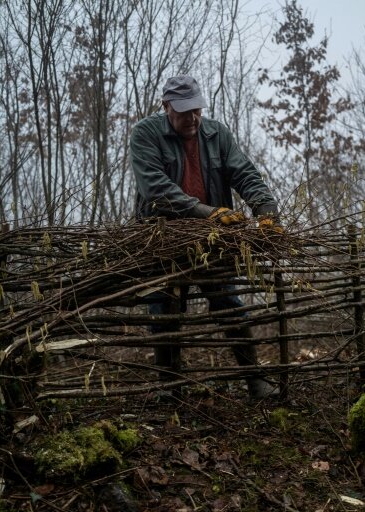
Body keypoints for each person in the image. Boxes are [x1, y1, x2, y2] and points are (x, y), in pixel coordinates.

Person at [129, 75, 282, 398]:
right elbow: (154, 188)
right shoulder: (145, 134)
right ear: (166, 106)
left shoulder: (216, 134)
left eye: (196, 109)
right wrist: (205, 212)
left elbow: (243, 172)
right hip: (164, 236)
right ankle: (169, 387)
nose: (192, 118)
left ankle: (255, 379)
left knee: (229, 304)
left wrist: (266, 210)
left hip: (212, 238)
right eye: (184, 111)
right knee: (165, 309)